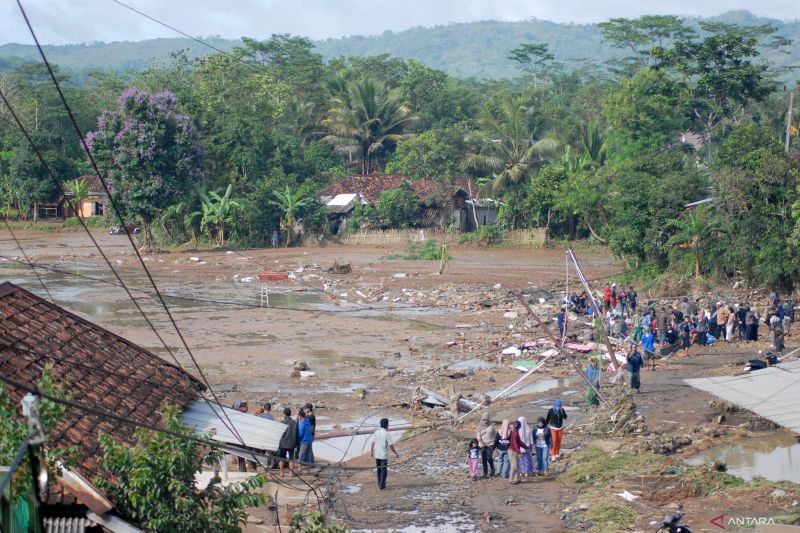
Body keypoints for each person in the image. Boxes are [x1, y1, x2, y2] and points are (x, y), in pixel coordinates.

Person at [371, 418, 399, 489]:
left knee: (379, 470)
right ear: (387, 425)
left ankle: (379, 483)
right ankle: (382, 486)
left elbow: (372, 443)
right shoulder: (387, 433)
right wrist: (396, 453)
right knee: (384, 471)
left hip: (377, 454)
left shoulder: (376, 432)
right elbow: (391, 446)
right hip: (383, 456)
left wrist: (371, 452)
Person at [277, 407, 297, 477]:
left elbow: (279, 434)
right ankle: (291, 473)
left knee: (281, 459)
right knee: (291, 459)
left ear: (284, 414)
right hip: (291, 443)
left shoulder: (282, 422)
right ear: (290, 414)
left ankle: (281, 473)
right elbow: (297, 434)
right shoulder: (295, 422)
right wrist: (296, 443)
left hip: (283, 443)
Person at [476, 412, 496, 478]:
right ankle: (485, 473)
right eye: (484, 419)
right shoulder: (479, 426)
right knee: (484, 459)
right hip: (482, 444)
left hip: (490, 443)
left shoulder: (491, 425)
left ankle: (492, 469)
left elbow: (495, 434)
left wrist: (496, 443)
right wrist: (480, 442)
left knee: (489, 457)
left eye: (486, 419)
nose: (485, 421)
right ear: (482, 419)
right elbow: (478, 436)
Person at [508, 420, 528, 485]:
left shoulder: (516, 432)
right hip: (512, 450)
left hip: (515, 450)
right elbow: (515, 443)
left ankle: (516, 479)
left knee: (517, 465)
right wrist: (519, 452)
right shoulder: (514, 432)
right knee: (514, 466)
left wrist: (526, 447)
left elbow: (519, 442)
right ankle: (511, 479)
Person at [296, 409, 314, 474]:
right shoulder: (307, 422)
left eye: (298, 416)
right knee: (307, 456)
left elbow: (300, 434)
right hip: (309, 440)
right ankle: (308, 470)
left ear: (300, 416)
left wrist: (296, 441)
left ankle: (300, 470)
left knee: (301, 456)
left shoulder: (302, 424)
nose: (297, 418)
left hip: (304, 442)